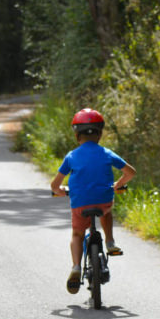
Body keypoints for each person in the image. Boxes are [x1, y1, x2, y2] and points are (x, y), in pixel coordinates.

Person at [50, 108, 136, 294]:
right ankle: (110, 242)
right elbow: (130, 172)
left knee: (77, 234)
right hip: (104, 200)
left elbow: (55, 185)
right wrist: (117, 185)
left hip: (80, 203)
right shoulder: (106, 153)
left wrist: (61, 192)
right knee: (106, 211)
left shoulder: (71, 156)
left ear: (76, 135)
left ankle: (75, 267)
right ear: (100, 134)